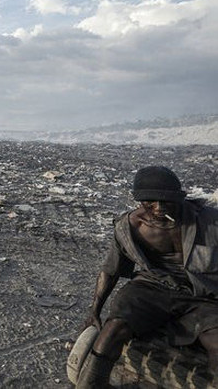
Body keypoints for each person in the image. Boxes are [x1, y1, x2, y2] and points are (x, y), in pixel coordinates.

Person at [77, 166, 218, 388]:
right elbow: (111, 270)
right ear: (139, 201)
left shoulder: (209, 221)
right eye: (151, 201)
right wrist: (94, 310)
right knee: (113, 328)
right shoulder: (129, 227)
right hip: (153, 287)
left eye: (167, 201)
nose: (159, 208)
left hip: (203, 296)